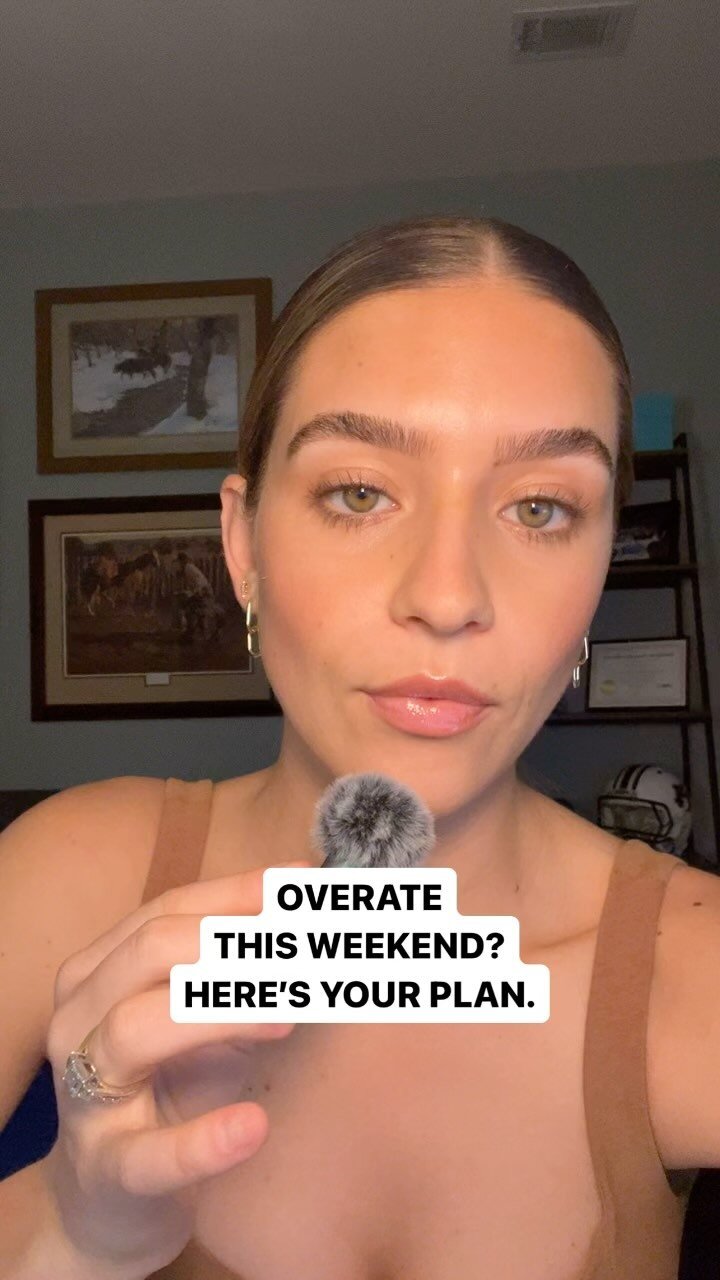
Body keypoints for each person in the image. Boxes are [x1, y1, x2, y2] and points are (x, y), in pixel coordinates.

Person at [1, 215, 718, 1280]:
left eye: (539, 507)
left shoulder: (696, 969)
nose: (447, 595)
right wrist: (73, 1227)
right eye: (359, 492)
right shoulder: (67, 873)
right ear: (243, 545)